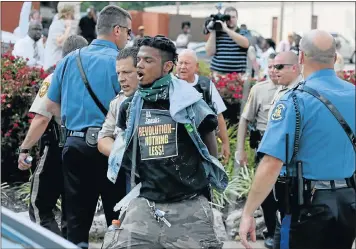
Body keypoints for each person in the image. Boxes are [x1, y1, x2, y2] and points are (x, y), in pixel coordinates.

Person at [103, 35, 228, 249]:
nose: (140, 64)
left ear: (167, 66)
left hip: (189, 206)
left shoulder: (191, 103)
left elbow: (209, 146)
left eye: (148, 60)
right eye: (139, 60)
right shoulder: (129, 107)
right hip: (146, 203)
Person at [239, 30, 356, 249]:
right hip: (348, 202)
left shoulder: (294, 101)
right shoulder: (353, 94)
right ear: (335, 57)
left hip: (308, 207)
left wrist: (247, 213)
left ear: (301, 57)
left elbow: (272, 163)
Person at [45, 5, 132, 249]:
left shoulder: (70, 59)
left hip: (74, 146)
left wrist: (73, 126)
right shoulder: (121, 64)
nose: (129, 37)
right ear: (117, 30)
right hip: (111, 149)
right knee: (118, 219)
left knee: (75, 222)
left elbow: (51, 104)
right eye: (127, 31)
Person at [17, 35, 88, 237]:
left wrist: (24, 148)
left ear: (63, 54)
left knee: (40, 207)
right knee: (72, 212)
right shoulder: (93, 79)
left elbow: (41, 119)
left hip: (58, 147)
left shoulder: (56, 77)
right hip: (87, 148)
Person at [236, 53, 278, 249]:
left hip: (288, 150)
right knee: (265, 193)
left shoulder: (296, 89)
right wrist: (240, 150)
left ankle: (285, 232)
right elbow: (245, 119)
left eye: (277, 67)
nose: (273, 71)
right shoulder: (259, 90)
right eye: (270, 67)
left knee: (289, 192)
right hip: (264, 146)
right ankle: (271, 231)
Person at [176, 49, 230, 163]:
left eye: (187, 63)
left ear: (196, 66)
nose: (182, 67)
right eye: (180, 63)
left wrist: (225, 143)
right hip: (179, 142)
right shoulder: (171, 84)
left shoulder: (206, 85)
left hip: (206, 139)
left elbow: (218, 115)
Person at [98, 46, 139, 157]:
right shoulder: (117, 102)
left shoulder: (164, 98)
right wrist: (121, 154)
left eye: (126, 72)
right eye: (118, 73)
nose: (120, 79)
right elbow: (103, 138)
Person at [205, 6, 250, 74]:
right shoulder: (218, 34)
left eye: (233, 17)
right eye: (228, 17)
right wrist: (214, 30)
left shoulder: (244, 32)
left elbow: (246, 44)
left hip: (237, 75)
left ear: (237, 18)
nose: (231, 19)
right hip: (218, 74)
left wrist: (226, 29)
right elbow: (209, 52)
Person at [268, 51, 303, 120]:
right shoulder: (282, 87)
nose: (275, 70)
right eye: (274, 67)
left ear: (293, 68)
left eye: (279, 67)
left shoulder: (302, 90)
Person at [43, 3, 75, 70]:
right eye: (73, 12)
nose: (74, 15)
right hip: (53, 66)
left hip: (60, 65)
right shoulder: (57, 24)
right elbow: (60, 43)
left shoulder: (64, 24)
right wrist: (68, 28)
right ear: (67, 14)